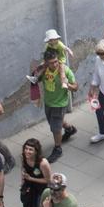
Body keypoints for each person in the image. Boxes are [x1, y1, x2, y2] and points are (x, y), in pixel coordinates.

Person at [32, 32, 77, 161]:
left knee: (55, 128)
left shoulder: (65, 71)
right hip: (48, 102)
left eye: (56, 61)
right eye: (51, 63)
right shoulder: (45, 69)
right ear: (46, 63)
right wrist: (35, 78)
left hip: (60, 103)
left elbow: (75, 86)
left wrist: (67, 85)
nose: (55, 64)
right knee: (55, 122)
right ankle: (70, 129)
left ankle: (58, 148)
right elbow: (39, 79)